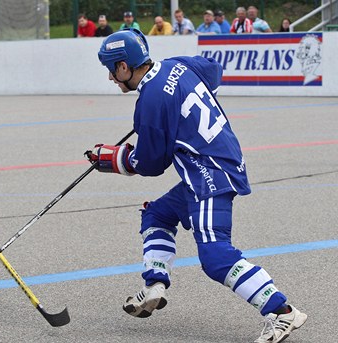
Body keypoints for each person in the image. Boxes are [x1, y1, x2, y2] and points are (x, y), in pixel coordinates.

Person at [88, 28, 308, 343]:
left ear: (123, 67)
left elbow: (150, 163)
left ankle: (282, 313)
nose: (111, 78)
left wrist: (115, 159)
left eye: (111, 70)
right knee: (157, 215)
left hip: (210, 175)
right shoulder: (175, 65)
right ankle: (154, 285)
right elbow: (213, 71)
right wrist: (174, 107)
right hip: (215, 166)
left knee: (216, 256)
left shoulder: (151, 102)